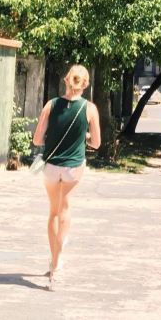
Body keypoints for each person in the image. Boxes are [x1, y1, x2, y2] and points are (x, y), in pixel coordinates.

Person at [32, 64, 101, 288]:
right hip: (73, 168)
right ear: (85, 84)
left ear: (66, 80)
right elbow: (96, 143)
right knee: (65, 211)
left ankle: (54, 260)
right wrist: (84, 136)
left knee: (53, 212)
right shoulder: (90, 109)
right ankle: (57, 264)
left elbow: (37, 139)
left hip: (51, 166)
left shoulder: (51, 105)